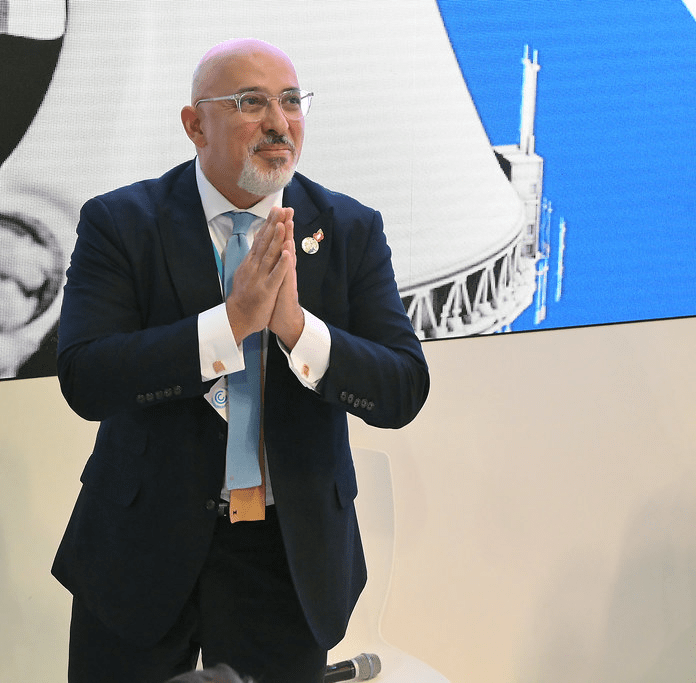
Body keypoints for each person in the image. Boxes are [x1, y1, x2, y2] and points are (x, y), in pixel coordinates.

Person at [51, 38, 429, 683]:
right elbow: (87, 378)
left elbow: (401, 389)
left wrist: (296, 330)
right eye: (252, 103)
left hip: (288, 555)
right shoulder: (122, 222)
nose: (279, 123)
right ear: (195, 125)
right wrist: (229, 326)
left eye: (291, 101)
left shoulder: (348, 228)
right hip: (142, 547)